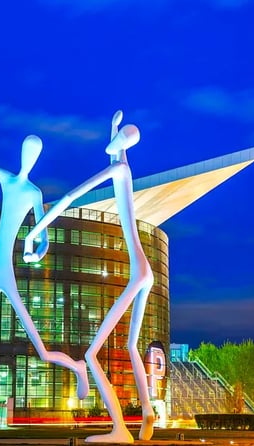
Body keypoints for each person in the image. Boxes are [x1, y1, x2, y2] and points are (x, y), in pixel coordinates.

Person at [0, 79, 88, 440]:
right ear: (20, 152)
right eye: (27, 150)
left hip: (7, 273)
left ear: (38, 158)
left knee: (40, 350)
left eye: (35, 153)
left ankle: (76, 367)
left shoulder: (33, 193)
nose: (29, 156)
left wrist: (35, 249)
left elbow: (41, 236)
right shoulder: (7, 180)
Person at [24, 110, 155, 443]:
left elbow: (71, 197)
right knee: (130, 345)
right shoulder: (124, 162)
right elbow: (115, 147)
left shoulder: (119, 168)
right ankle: (149, 414)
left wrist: (36, 230)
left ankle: (120, 430)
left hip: (139, 272)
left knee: (92, 354)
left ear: (122, 145)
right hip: (146, 270)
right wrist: (112, 128)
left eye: (119, 139)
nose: (114, 144)